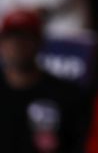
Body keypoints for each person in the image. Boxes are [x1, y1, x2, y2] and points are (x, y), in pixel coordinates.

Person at [0, 9, 90, 153]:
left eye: (25, 38)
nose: (17, 45)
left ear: (39, 42)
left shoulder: (66, 95)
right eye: (11, 38)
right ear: (2, 44)